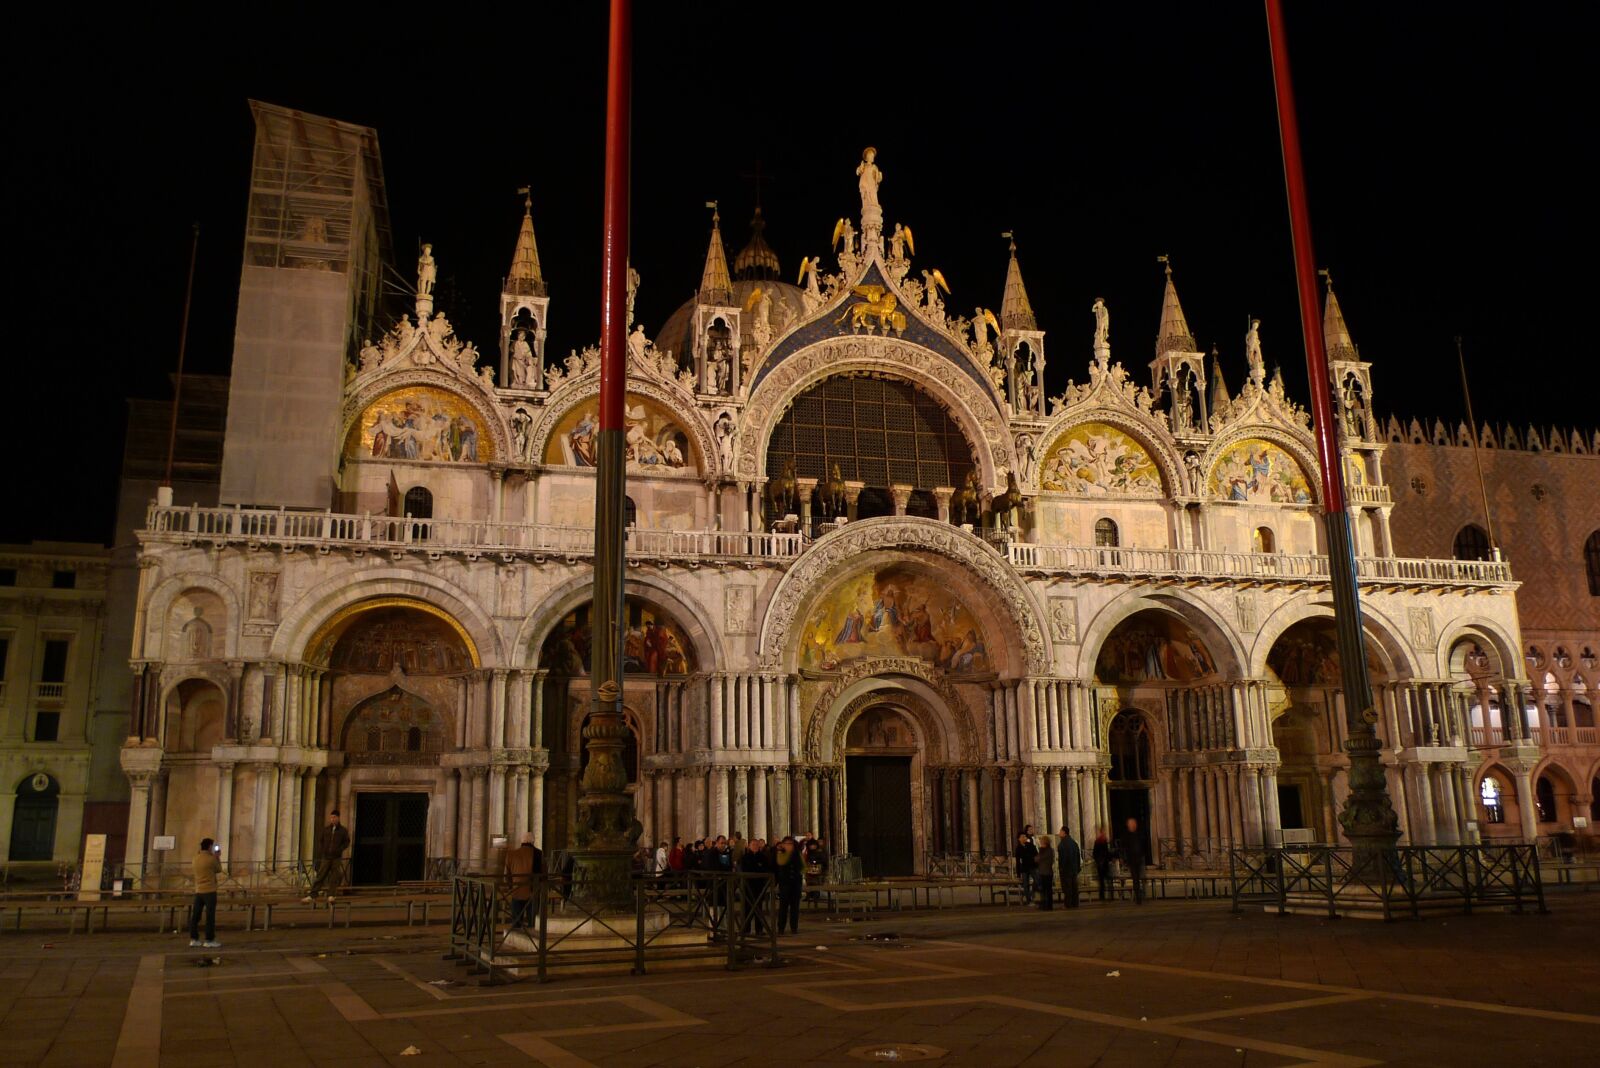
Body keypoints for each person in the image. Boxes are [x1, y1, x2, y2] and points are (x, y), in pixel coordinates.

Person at [303, 811, 351, 903]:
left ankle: (331, 895)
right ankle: (313, 894)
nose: (332, 819)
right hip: (326, 856)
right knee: (321, 875)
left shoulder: (343, 830)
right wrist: (323, 849)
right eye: (331, 817)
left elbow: (346, 842)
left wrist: (339, 849)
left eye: (334, 817)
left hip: (336, 857)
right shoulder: (326, 829)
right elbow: (321, 840)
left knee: (334, 876)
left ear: (338, 818)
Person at [501, 833, 543, 929]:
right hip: (533, 892)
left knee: (516, 923)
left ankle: (516, 940)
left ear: (522, 841)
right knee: (532, 924)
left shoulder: (511, 854)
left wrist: (510, 887)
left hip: (516, 891)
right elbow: (543, 874)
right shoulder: (538, 854)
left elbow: (506, 876)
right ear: (533, 842)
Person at [190, 837, 221, 948]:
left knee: (196, 916)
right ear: (209, 847)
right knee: (210, 916)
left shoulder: (195, 858)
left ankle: (194, 938)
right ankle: (209, 939)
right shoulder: (211, 859)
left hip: (198, 890)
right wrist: (217, 857)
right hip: (209, 891)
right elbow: (218, 869)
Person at [1118, 817, 1147, 905]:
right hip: (1132, 860)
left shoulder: (1140, 834)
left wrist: (1143, 855)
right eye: (1130, 824)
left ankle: (1142, 895)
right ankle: (1138, 897)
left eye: (1133, 824)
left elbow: (1144, 845)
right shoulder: (1126, 836)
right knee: (1135, 879)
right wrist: (1123, 858)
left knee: (1142, 878)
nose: (1132, 825)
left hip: (1140, 859)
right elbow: (1123, 848)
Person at [1057, 827, 1082, 908]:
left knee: (1067, 887)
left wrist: (1061, 868)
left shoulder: (1062, 844)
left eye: (1060, 831)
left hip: (1066, 869)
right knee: (1074, 887)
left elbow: (1063, 858)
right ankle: (1075, 903)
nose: (1059, 833)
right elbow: (1078, 856)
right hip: (1074, 869)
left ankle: (1068, 904)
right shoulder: (1074, 843)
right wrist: (1078, 867)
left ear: (1064, 832)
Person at [1014, 832, 1039, 906]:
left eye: (1025, 836)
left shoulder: (1030, 845)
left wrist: (1037, 864)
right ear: (1019, 839)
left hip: (1032, 866)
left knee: (1037, 880)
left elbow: (1036, 854)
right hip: (1024, 868)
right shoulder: (1018, 848)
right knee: (1025, 884)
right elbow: (1018, 861)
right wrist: (1018, 873)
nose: (1024, 838)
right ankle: (1029, 900)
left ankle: (1032, 894)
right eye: (1022, 837)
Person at [1092, 826, 1113, 901]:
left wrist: (1097, 861)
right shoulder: (1102, 840)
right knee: (1107, 880)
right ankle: (1110, 896)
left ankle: (1102, 896)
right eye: (1104, 831)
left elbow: (1094, 853)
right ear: (1102, 832)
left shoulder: (1098, 841)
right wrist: (1109, 859)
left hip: (1100, 864)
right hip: (1104, 864)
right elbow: (1106, 853)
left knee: (1102, 881)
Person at [1035, 837, 1055, 910]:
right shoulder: (1044, 850)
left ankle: (1048, 906)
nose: (1040, 842)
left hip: (1046, 873)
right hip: (1043, 872)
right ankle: (1044, 904)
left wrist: (1039, 854)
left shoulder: (1048, 850)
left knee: (1047, 890)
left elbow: (1038, 858)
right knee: (1043, 890)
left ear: (1045, 842)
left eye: (1041, 841)